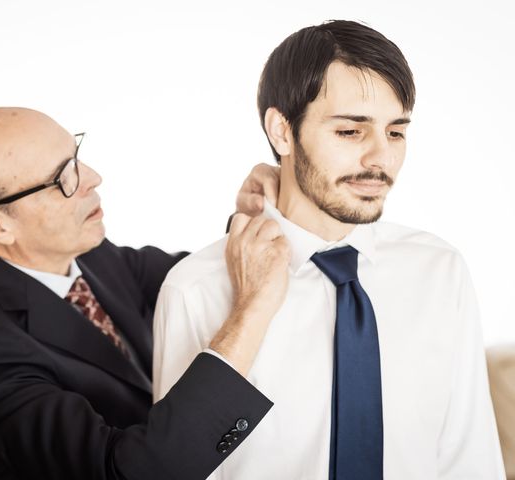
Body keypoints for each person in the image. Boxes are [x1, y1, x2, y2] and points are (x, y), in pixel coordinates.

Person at [153, 20, 506, 479]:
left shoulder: (439, 271)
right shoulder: (197, 290)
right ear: (282, 131)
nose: (381, 158)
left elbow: (468, 459)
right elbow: (180, 468)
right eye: (350, 132)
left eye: (396, 132)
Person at [0, 106, 290, 479]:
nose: (93, 178)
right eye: (62, 178)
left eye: (76, 157)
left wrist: (250, 218)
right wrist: (252, 312)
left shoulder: (84, 249)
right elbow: (127, 472)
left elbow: (187, 278)